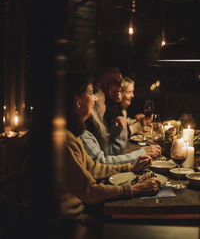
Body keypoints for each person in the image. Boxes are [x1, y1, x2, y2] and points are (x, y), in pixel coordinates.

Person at [60, 73, 160, 221]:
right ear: (77, 101)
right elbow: (90, 191)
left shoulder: (72, 134)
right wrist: (133, 190)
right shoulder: (66, 139)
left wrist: (130, 169)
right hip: (71, 221)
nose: (94, 99)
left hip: (80, 212)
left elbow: (95, 167)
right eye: (90, 93)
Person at [81, 88, 147, 165]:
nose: (105, 107)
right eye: (104, 103)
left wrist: (118, 129)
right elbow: (101, 163)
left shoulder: (95, 128)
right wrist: (141, 154)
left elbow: (111, 152)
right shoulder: (83, 133)